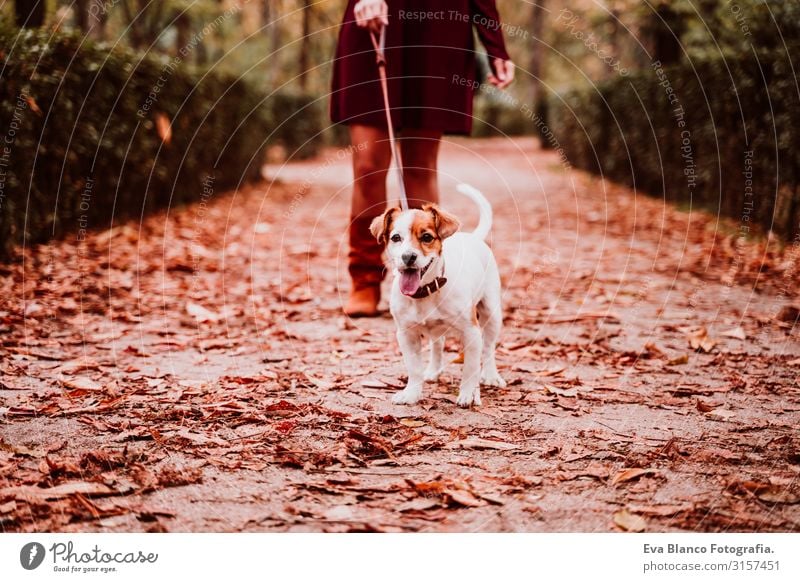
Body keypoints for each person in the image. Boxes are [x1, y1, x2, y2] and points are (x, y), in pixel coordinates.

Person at [331, 0, 514, 317]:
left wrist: (495, 44)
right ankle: (364, 279)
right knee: (367, 165)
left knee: (420, 165)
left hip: (438, 31)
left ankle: (428, 278)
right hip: (374, 21)